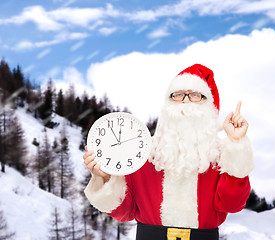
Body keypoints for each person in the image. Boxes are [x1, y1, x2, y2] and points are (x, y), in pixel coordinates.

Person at [83, 64, 254, 240]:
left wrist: (236, 144)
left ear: (209, 106)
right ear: (167, 103)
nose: (186, 100)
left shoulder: (220, 155)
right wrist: (104, 177)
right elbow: (124, 212)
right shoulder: (142, 151)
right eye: (178, 94)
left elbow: (232, 204)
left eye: (196, 95)